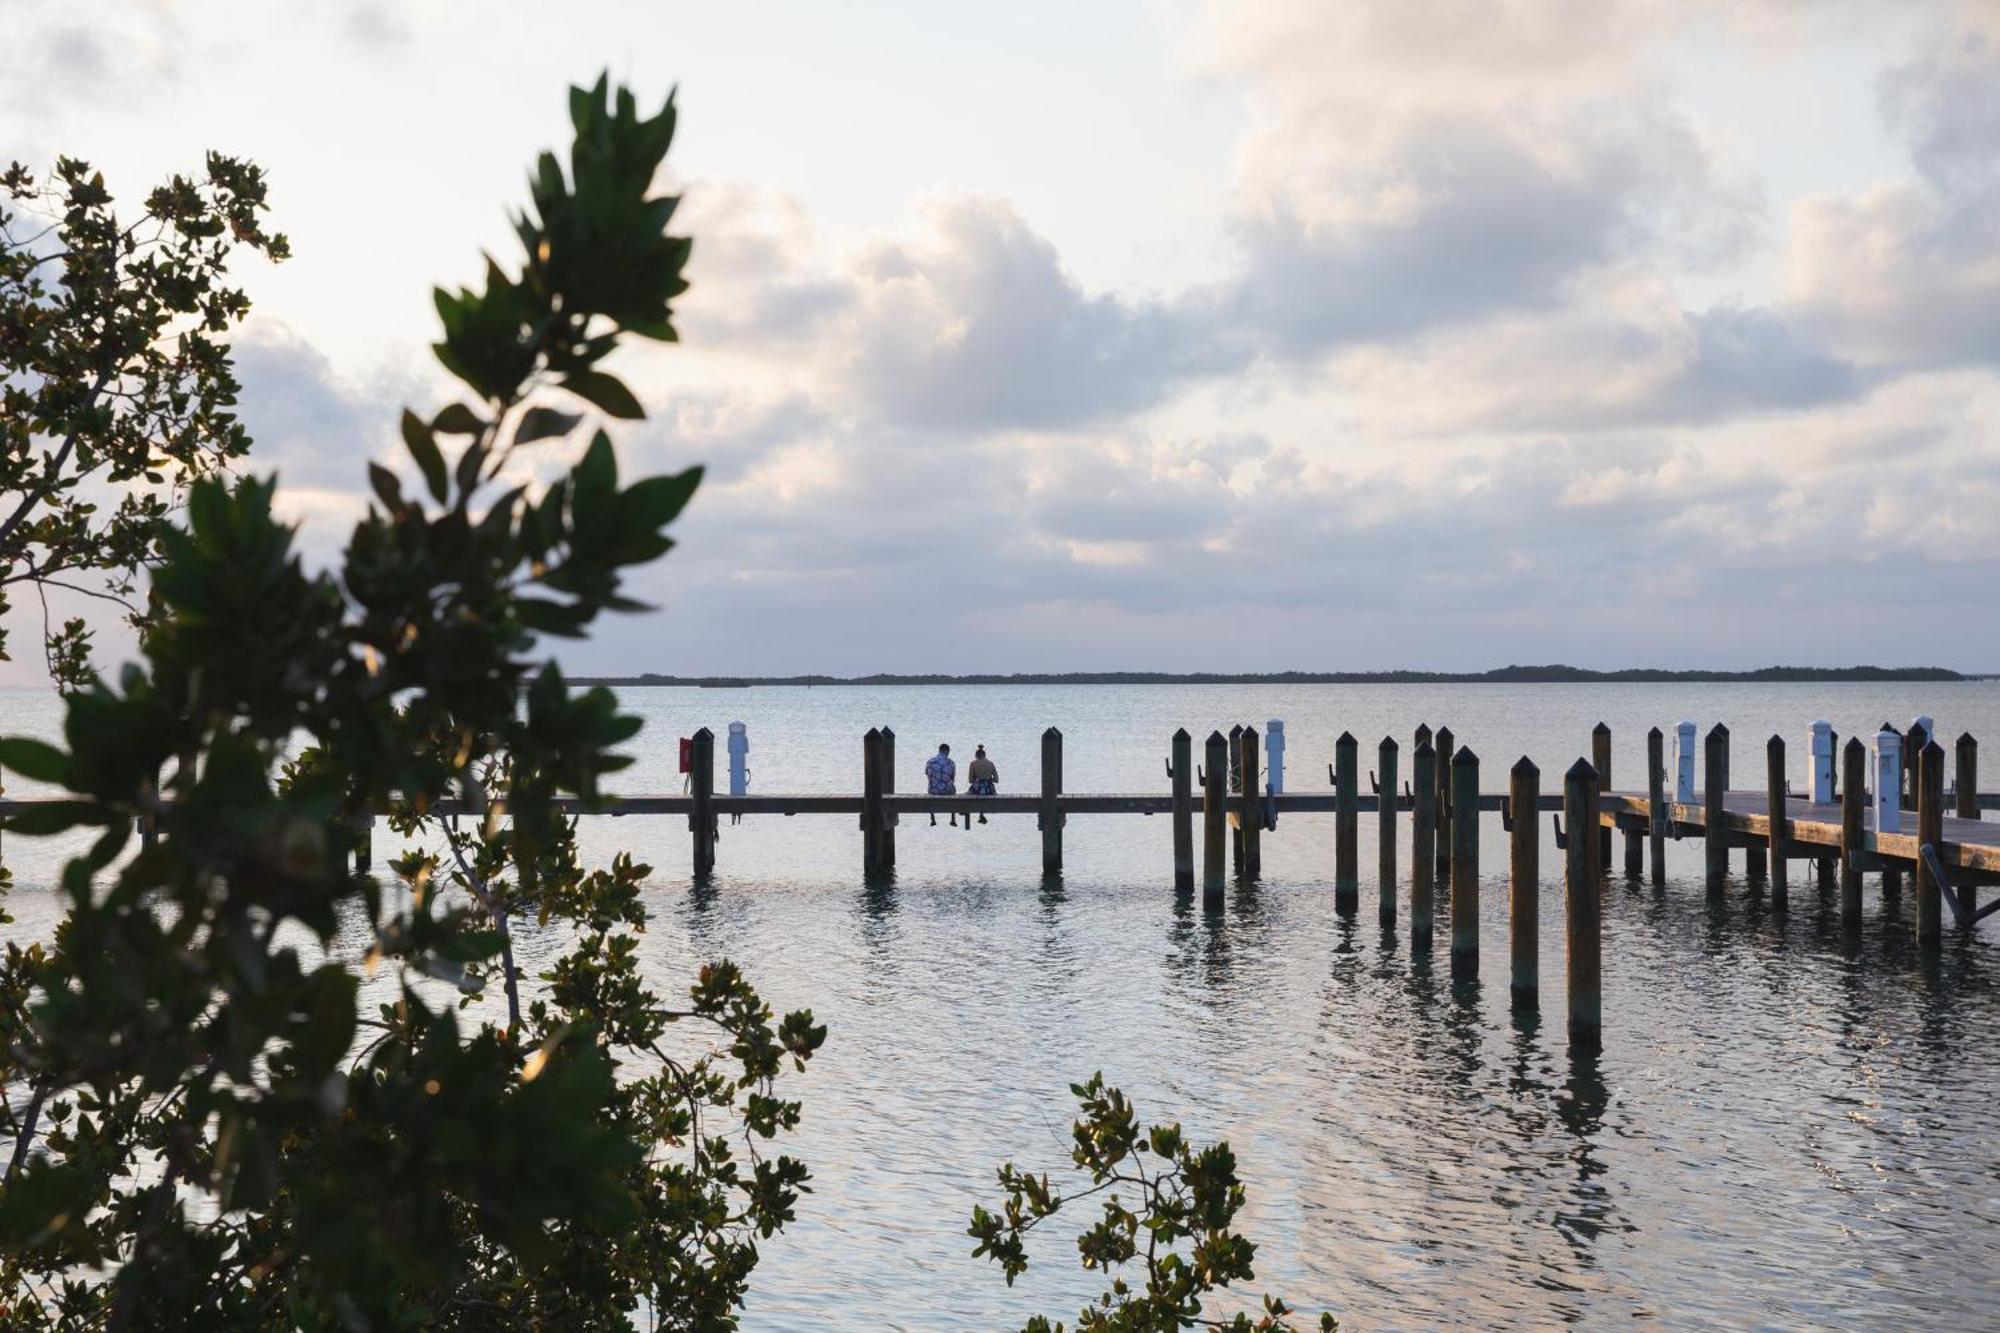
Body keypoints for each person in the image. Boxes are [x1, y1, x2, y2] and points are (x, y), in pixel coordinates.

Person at [925, 742, 958, 827]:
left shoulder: (930, 762)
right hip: (947, 790)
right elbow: (953, 778)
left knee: (930, 788)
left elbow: (927, 775)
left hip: (933, 790)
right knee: (953, 790)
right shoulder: (951, 763)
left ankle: (933, 819)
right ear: (947, 751)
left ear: (939, 751)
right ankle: (953, 819)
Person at [966, 744, 998, 824]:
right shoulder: (991, 764)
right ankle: (981, 814)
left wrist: (979, 779)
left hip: (977, 789)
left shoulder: (973, 763)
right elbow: (996, 779)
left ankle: (978, 813)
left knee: (969, 794)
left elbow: (970, 780)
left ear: (976, 755)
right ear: (984, 755)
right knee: (983, 791)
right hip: (989, 790)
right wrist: (988, 779)